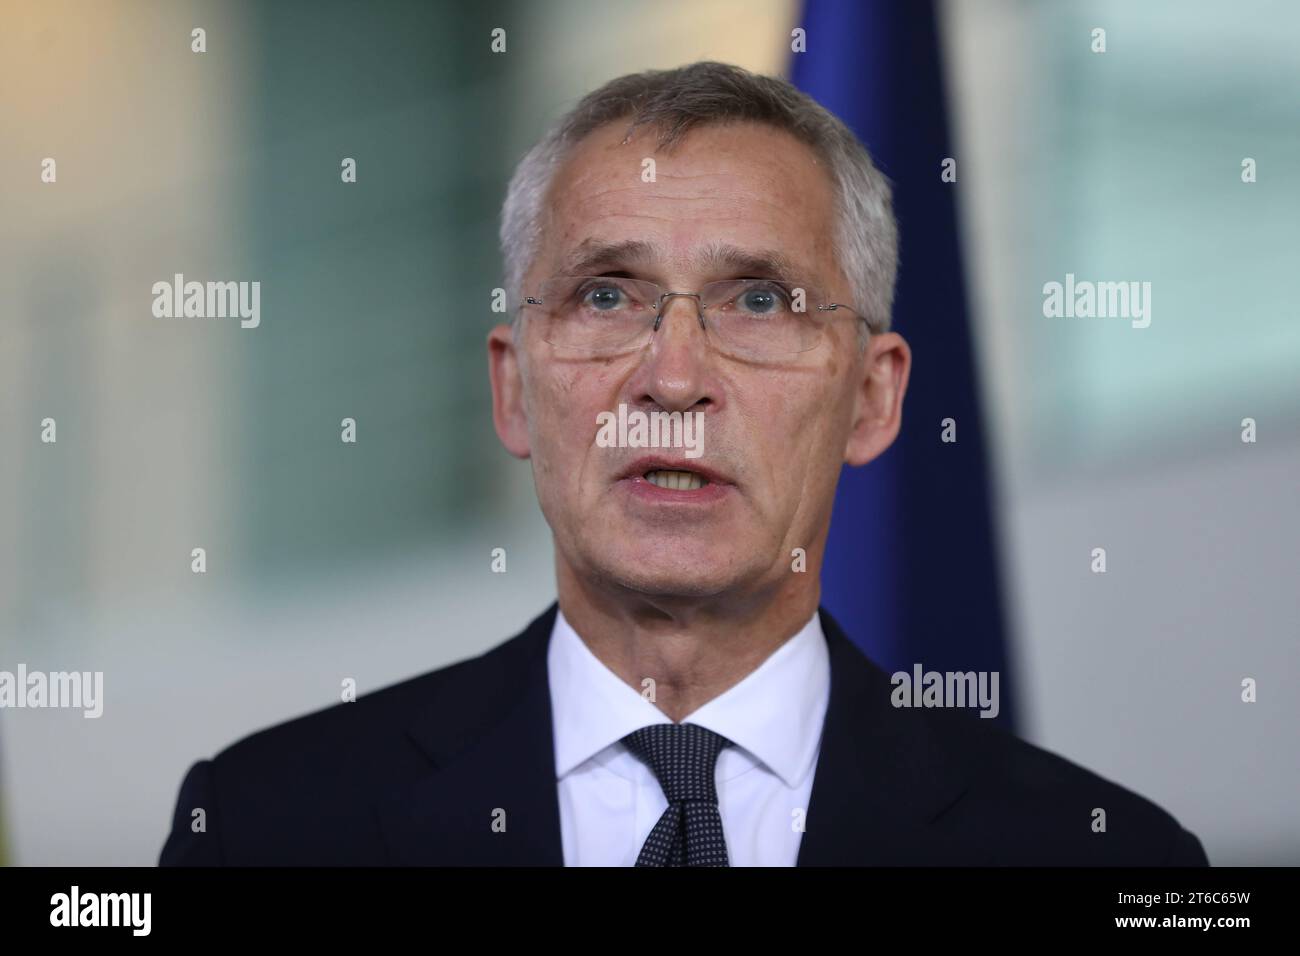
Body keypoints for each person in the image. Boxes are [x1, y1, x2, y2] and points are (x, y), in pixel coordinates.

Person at [160, 61, 1207, 867]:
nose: (671, 379)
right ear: (514, 387)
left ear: (873, 397)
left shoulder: (1097, 854)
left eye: (759, 300)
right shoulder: (264, 825)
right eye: (606, 295)